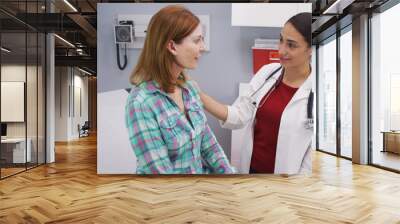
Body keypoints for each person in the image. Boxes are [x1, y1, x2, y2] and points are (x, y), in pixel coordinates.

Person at [199, 12, 313, 175]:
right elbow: (238, 115)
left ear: (310, 49)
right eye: (281, 40)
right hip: (251, 172)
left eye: (291, 45)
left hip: (289, 184)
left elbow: (310, 162)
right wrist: (199, 96)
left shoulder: (316, 93)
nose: (281, 50)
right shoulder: (267, 73)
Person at [125, 5, 234, 174]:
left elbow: (210, 147)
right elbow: (160, 175)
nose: (203, 47)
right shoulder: (141, 103)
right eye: (197, 40)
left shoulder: (189, 89)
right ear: (172, 46)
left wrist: (230, 176)